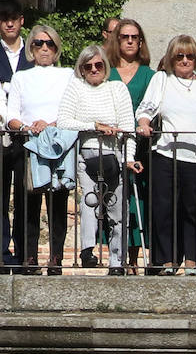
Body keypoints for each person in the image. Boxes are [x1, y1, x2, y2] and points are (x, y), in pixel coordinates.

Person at [136, 34, 196, 274]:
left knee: (194, 209)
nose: (185, 60)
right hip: (166, 153)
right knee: (164, 209)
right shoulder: (162, 80)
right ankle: (167, 260)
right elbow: (146, 109)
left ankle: (191, 259)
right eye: (179, 56)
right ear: (171, 58)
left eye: (190, 56)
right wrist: (144, 123)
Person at [56, 44, 140, 274]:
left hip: (115, 155)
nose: (94, 69)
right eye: (88, 66)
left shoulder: (117, 89)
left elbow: (128, 129)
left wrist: (129, 158)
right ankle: (87, 251)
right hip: (86, 154)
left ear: (106, 66)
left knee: (116, 210)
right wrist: (95, 127)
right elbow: (63, 120)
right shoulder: (76, 87)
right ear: (81, 69)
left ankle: (116, 261)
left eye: (98, 65)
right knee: (90, 202)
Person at [5, 25, 69, 274]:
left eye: (50, 43)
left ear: (56, 47)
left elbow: (70, 110)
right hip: (27, 143)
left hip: (56, 144)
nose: (44, 48)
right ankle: (29, 257)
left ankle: (56, 258)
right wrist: (28, 126)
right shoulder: (21, 77)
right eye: (39, 43)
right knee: (27, 203)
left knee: (57, 203)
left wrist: (49, 125)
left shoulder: (67, 75)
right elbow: (12, 113)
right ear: (31, 47)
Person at [105, 17, 153, 274]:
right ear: (117, 40)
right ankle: (116, 258)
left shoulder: (150, 75)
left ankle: (133, 259)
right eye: (125, 37)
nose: (131, 41)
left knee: (137, 202)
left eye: (135, 37)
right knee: (112, 200)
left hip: (140, 145)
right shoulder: (105, 71)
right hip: (110, 144)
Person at [0, 0, 31, 270]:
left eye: (13, 19)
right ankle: (0, 252)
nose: (9, 25)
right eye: (3, 20)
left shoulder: (35, 50)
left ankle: (25, 252)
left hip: (27, 135)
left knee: (25, 194)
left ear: (21, 21)